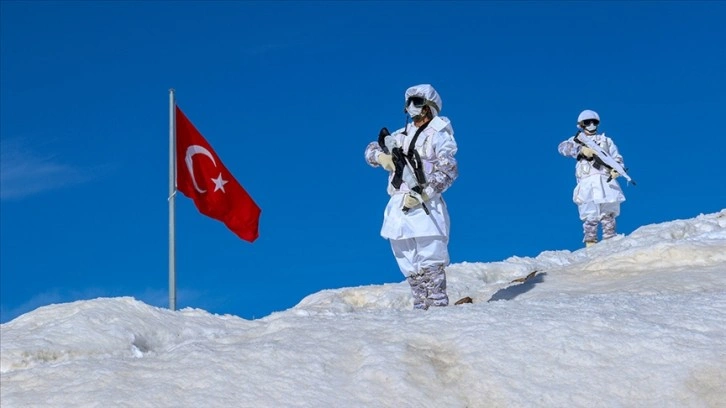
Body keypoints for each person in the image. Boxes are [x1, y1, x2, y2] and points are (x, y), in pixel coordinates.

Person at [364, 84, 458, 310]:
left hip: (424, 201)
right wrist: (380, 156)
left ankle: (436, 303)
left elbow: (448, 169)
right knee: (404, 253)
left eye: (417, 102)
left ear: (429, 106)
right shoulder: (400, 135)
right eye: (409, 103)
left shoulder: (439, 135)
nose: (412, 107)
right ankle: (420, 303)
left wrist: (426, 192)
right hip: (398, 202)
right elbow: (369, 149)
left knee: (430, 252)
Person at [558, 109, 627, 247]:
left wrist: (617, 169)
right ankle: (591, 245)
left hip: (605, 181)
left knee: (608, 213)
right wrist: (580, 150)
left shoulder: (606, 141)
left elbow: (616, 157)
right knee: (590, 215)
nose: (591, 124)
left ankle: (610, 242)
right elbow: (562, 148)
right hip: (587, 182)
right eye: (587, 122)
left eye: (594, 122)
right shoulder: (576, 140)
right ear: (581, 124)